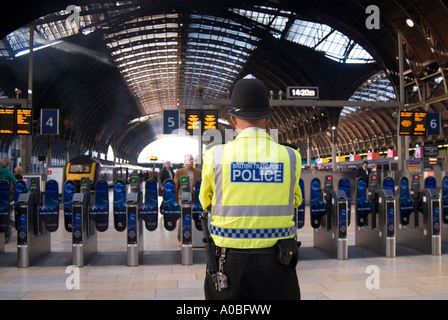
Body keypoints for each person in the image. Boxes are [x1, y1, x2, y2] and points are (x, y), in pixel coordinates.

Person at [199, 77, 302, 300]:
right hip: (278, 260)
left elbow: (206, 201)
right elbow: (296, 200)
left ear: (233, 119)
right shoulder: (290, 156)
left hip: (229, 264)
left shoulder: (214, 155)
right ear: (267, 117)